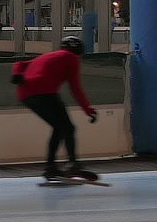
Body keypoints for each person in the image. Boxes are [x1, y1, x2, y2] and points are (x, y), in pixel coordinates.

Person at [10, 36, 99, 182]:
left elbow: (20, 63)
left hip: (26, 93)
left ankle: (52, 167)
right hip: (44, 93)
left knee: (60, 127)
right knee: (66, 127)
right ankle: (71, 164)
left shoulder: (51, 55)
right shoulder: (72, 58)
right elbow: (75, 87)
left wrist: (16, 74)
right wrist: (88, 109)